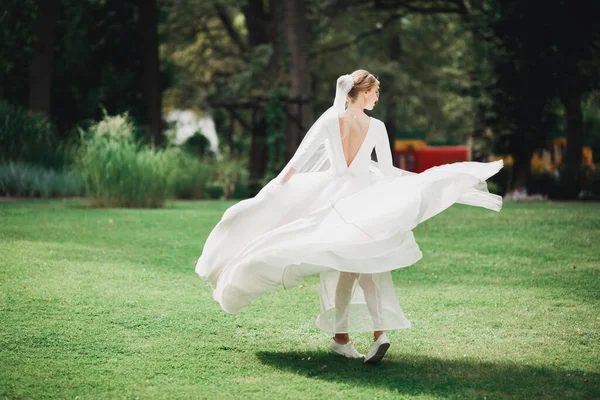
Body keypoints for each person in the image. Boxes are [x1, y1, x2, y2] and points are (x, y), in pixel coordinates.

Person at [195, 69, 504, 364]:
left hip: (332, 197)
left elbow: (299, 161)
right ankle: (363, 335)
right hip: (361, 200)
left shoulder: (331, 121)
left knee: (356, 265)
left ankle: (353, 337)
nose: (378, 97)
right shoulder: (376, 127)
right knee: (361, 264)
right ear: (364, 93)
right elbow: (385, 171)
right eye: (376, 92)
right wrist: (405, 191)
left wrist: (275, 190)